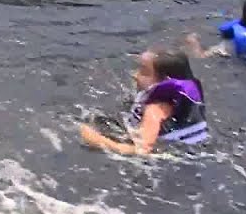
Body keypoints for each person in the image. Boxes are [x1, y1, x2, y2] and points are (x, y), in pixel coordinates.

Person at [80, 48, 209, 156]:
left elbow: (142, 151)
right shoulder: (178, 99)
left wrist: (98, 141)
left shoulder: (156, 108)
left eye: (143, 72)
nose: (135, 75)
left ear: (164, 80)